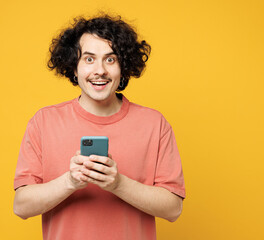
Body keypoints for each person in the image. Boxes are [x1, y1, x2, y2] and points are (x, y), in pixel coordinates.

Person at [13, 14, 185, 240]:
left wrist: (118, 183)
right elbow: (21, 207)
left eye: (111, 59)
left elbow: (173, 209)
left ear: (123, 67)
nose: (100, 70)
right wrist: (70, 181)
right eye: (89, 59)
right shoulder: (43, 122)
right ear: (74, 68)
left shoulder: (155, 124)